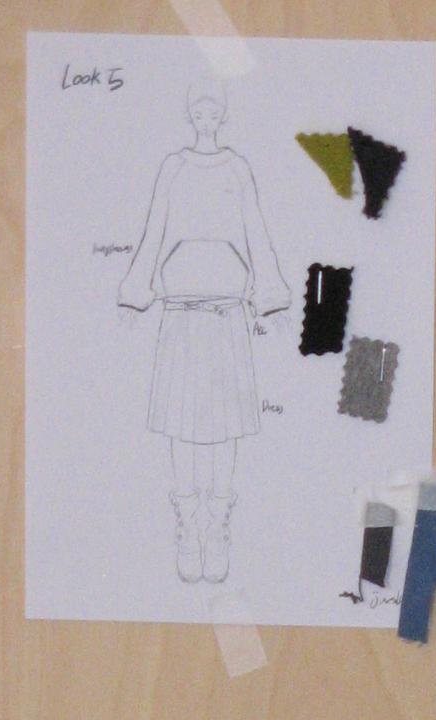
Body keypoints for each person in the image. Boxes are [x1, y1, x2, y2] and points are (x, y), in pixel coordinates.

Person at [117, 77, 290, 585]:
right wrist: (135, 294)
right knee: (182, 425)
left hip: (228, 315)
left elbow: (256, 230)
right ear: (189, 116)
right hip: (180, 314)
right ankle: (188, 527)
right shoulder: (173, 168)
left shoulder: (237, 168)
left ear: (224, 117)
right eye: (199, 112)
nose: (206, 120)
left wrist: (271, 300)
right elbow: (155, 229)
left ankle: (217, 526)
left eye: (214, 112)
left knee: (225, 426)